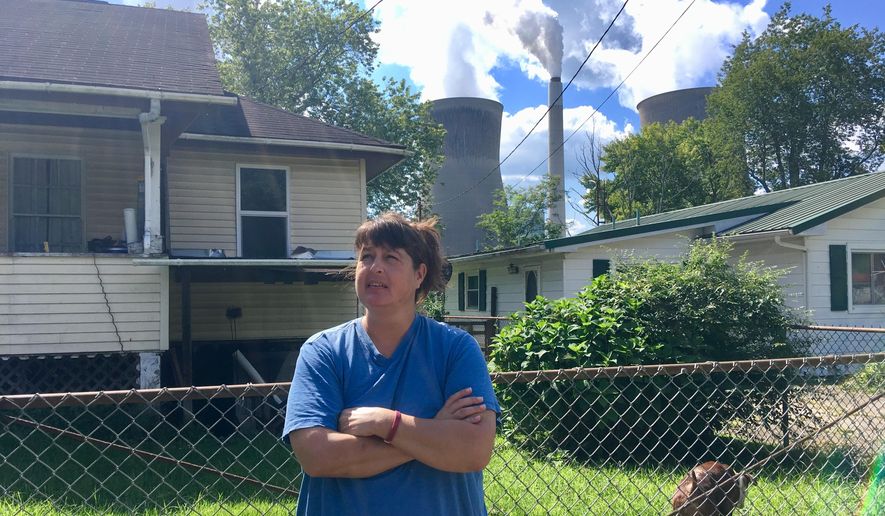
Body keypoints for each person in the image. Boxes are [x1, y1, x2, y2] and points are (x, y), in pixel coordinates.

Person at [282, 212, 500, 515]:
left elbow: (473, 450)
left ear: (419, 275)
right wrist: (433, 432)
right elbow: (317, 456)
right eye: (367, 256)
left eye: (391, 258)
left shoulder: (456, 349)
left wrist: (386, 423)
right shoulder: (323, 352)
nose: (376, 267)